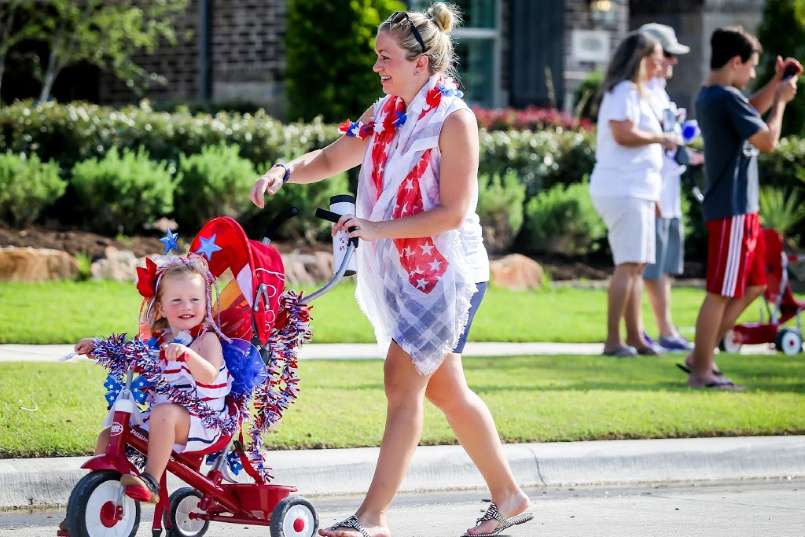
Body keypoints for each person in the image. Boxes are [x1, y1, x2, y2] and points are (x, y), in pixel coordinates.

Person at [250, 5, 533, 537]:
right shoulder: (386, 112)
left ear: (421, 64)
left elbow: (453, 212)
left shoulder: (454, 120)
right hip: (402, 269)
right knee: (446, 391)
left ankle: (372, 518)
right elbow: (334, 158)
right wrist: (286, 171)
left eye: (386, 59)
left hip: (447, 274)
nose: (378, 68)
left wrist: (374, 228)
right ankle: (510, 496)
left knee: (402, 381)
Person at [687, 27, 799, 389]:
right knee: (720, 291)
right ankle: (702, 370)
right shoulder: (723, 97)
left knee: (753, 286)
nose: (752, 74)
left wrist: (774, 85)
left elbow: (750, 109)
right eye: (750, 67)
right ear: (735, 62)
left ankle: (700, 354)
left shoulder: (717, 96)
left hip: (740, 209)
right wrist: (781, 100)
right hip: (731, 209)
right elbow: (767, 140)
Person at [74, 254, 230, 502]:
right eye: (176, 300)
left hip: (203, 421)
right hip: (164, 418)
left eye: (194, 300)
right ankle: (91, 500)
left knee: (164, 413)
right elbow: (132, 356)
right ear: (160, 307)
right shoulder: (159, 339)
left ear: (206, 303)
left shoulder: (206, 340)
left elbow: (210, 375)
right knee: (110, 433)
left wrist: (187, 355)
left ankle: (151, 481)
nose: (186, 306)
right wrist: (99, 347)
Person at [589, 31, 680, 357]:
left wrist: (654, 193)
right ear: (639, 59)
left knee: (637, 265)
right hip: (622, 188)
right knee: (628, 264)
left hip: (637, 189)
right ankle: (614, 341)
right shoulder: (623, 91)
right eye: (655, 58)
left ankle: (636, 336)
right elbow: (623, 132)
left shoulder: (637, 93)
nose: (660, 64)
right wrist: (662, 138)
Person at [639, 23, 699, 352]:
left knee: (665, 268)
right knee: (650, 268)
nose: (671, 63)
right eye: (667, 55)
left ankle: (665, 329)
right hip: (654, 191)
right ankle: (660, 331)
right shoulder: (641, 92)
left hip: (668, 190)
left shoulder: (658, 91)